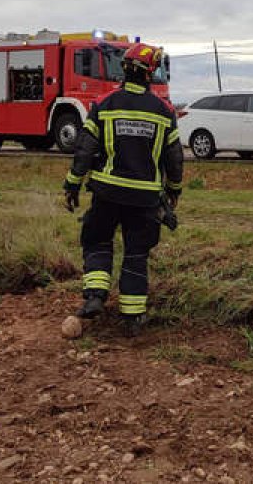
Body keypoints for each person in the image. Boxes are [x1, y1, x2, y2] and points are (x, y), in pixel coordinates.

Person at [64, 42, 184, 336]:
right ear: (150, 73)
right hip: (144, 198)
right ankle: (132, 318)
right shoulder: (164, 111)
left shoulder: (104, 104)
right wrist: (174, 189)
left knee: (97, 241)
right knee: (136, 252)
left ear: (124, 70)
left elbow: (84, 149)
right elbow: (175, 157)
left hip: (106, 193)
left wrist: (72, 183)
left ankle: (94, 297)